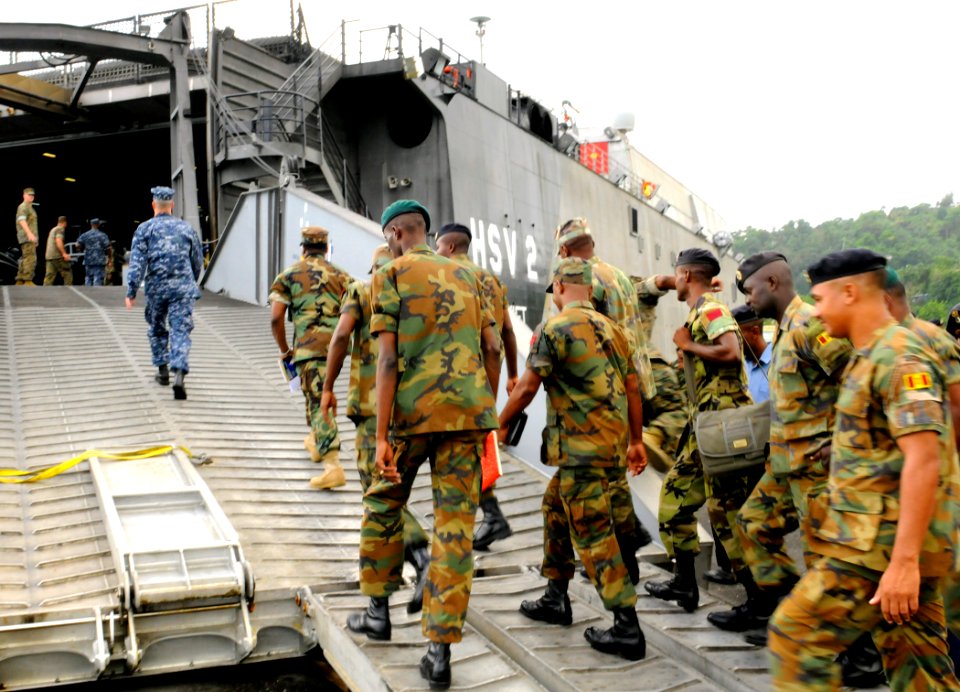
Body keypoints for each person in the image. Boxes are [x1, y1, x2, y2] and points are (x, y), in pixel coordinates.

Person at [768, 249, 960, 690]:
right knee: (920, 672)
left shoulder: (898, 355)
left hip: (878, 551)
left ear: (850, 292)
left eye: (821, 298)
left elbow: (924, 456)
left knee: (794, 639)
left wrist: (905, 563)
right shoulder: (870, 353)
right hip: (881, 543)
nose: (816, 311)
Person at [346, 200, 500, 690]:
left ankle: (377, 612)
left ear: (394, 234)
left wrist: (382, 437)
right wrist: (483, 411)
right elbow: (493, 348)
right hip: (466, 419)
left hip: (410, 417)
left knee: (382, 505)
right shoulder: (472, 277)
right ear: (427, 233)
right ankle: (438, 654)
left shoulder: (389, 275)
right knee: (455, 530)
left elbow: (387, 361)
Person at [499, 257, 647, 661]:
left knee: (595, 537)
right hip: (612, 450)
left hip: (581, 453)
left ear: (560, 287)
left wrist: (499, 424)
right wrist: (636, 440)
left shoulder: (554, 328)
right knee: (554, 508)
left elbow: (528, 388)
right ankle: (555, 597)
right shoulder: (616, 331)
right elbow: (633, 390)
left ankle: (627, 627)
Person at [644, 248, 758, 614]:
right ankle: (685, 584)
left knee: (727, 518)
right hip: (705, 429)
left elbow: (730, 351)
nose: (674, 280)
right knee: (674, 502)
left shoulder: (710, 309)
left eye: (676, 275)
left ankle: (758, 599)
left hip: (721, 429)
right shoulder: (702, 310)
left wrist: (687, 345)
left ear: (686, 275)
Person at [319, 243, 431, 612]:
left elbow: (339, 338)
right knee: (391, 490)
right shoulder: (416, 291)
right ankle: (390, 584)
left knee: (379, 494)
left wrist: (327, 387)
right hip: (412, 409)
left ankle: (419, 560)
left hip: (372, 409)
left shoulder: (363, 290)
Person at [554, 217, 653, 580]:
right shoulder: (619, 275)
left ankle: (616, 553)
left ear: (564, 251)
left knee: (594, 480)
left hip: (606, 393)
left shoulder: (585, 280)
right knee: (611, 476)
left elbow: (585, 337)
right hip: (636, 383)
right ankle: (626, 550)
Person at [434, 221, 520, 551]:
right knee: (478, 446)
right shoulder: (492, 281)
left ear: (450, 247)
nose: (437, 250)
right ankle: (490, 514)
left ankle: (476, 520)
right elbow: (507, 334)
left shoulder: (443, 273)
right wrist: (512, 374)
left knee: (456, 453)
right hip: (487, 379)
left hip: (455, 377)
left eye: (438, 245)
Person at [269, 226, 351, 490]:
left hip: (307, 348)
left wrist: (285, 349)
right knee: (315, 394)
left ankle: (333, 465)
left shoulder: (289, 275)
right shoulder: (342, 276)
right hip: (336, 348)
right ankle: (316, 441)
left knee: (319, 402)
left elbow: (275, 317)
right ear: (326, 248)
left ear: (303, 248)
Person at [125, 186, 203, 400]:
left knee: (157, 327)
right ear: (172, 205)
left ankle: (162, 371)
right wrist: (189, 283)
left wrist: (131, 290)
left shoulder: (144, 229)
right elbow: (197, 261)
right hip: (182, 288)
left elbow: (137, 264)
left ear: (153, 205)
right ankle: (179, 373)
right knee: (180, 329)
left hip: (157, 288)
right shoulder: (187, 229)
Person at [630, 274, 687, 473]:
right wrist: (687, 282)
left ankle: (646, 441)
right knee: (677, 411)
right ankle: (655, 436)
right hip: (647, 365)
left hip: (615, 371)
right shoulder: (637, 291)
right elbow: (660, 282)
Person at [731, 305, 772, 404]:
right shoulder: (740, 366)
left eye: (736, 336)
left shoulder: (780, 362)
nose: (732, 342)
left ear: (754, 332)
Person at [14, 187, 38, 286]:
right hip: (27, 236)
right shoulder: (23, 207)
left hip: (30, 236)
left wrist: (36, 238)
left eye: (32, 195)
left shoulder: (30, 207)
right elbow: (21, 220)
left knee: (25, 257)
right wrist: (29, 233)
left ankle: (20, 279)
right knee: (30, 258)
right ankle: (27, 280)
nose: (31, 196)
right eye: (29, 195)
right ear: (24, 195)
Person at [76, 219, 110, 286]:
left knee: (88, 277)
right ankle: (96, 294)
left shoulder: (85, 235)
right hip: (99, 260)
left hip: (88, 259)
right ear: (98, 225)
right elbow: (108, 247)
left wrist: (80, 249)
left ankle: (88, 291)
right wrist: (109, 257)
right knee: (98, 277)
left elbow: (77, 245)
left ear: (91, 224)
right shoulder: (102, 235)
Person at [42, 216, 73, 286]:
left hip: (49, 256)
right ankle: (69, 291)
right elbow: (58, 241)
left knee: (49, 276)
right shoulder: (60, 229)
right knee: (67, 272)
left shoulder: (53, 229)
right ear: (64, 222)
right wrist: (64, 254)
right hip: (57, 256)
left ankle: (45, 291)